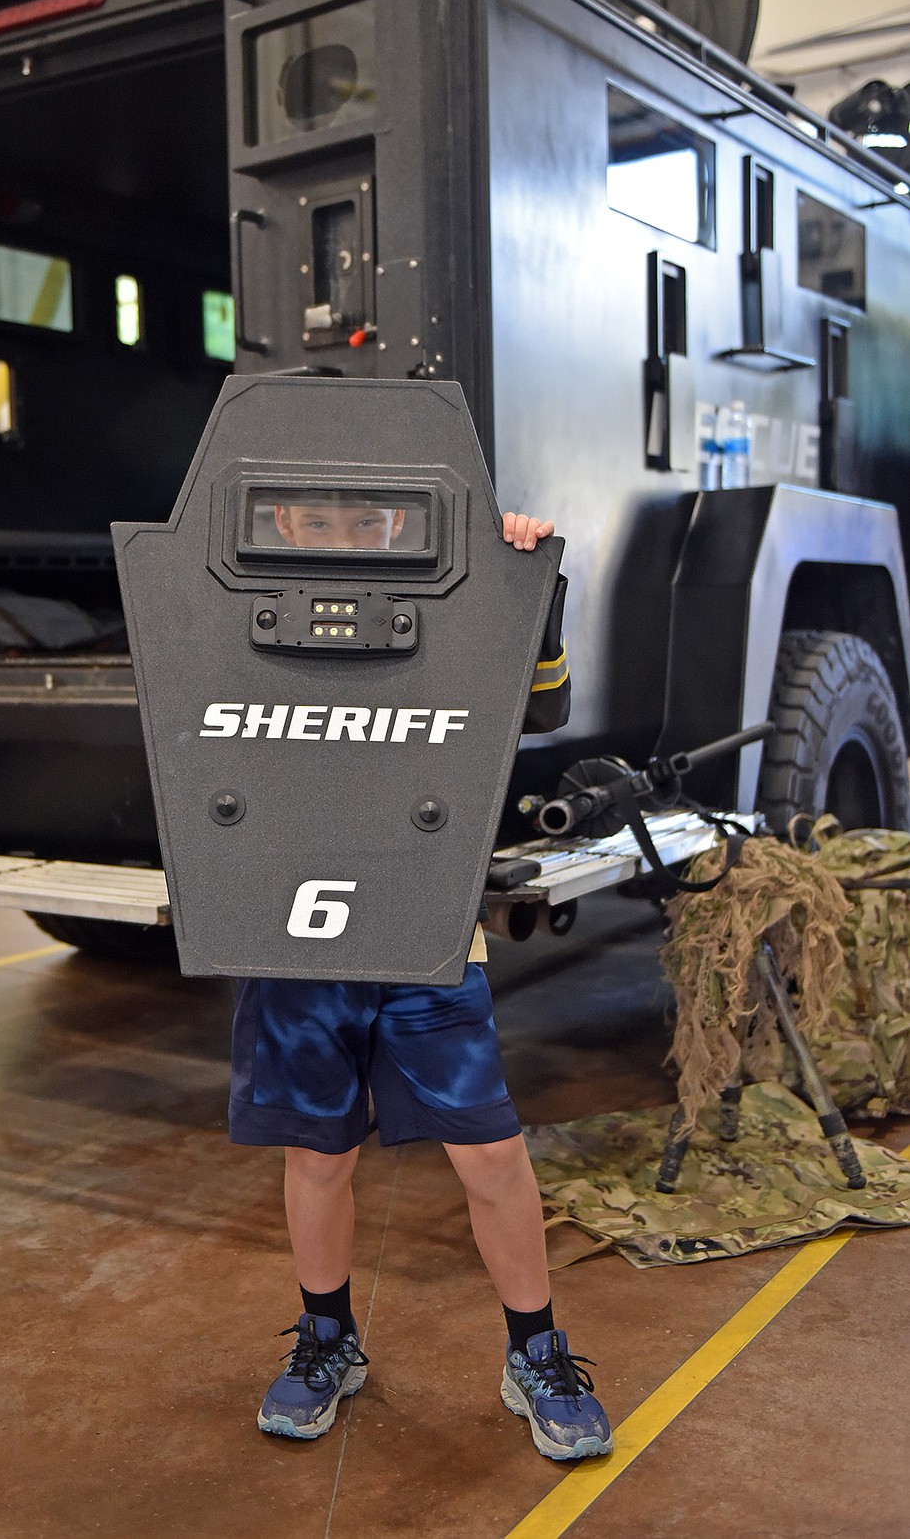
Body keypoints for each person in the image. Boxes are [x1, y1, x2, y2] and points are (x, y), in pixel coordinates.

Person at [230, 505, 614, 1462]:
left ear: (400, 519)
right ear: (276, 518)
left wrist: (524, 582)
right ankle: (329, 1342)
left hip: (425, 917)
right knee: (318, 1152)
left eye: (365, 520)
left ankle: (536, 1355)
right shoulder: (239, 606)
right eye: (314, 518)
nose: (340, 535)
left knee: (490, 1154)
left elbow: (544, 707)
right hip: (296, 923)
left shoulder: (445, 602)